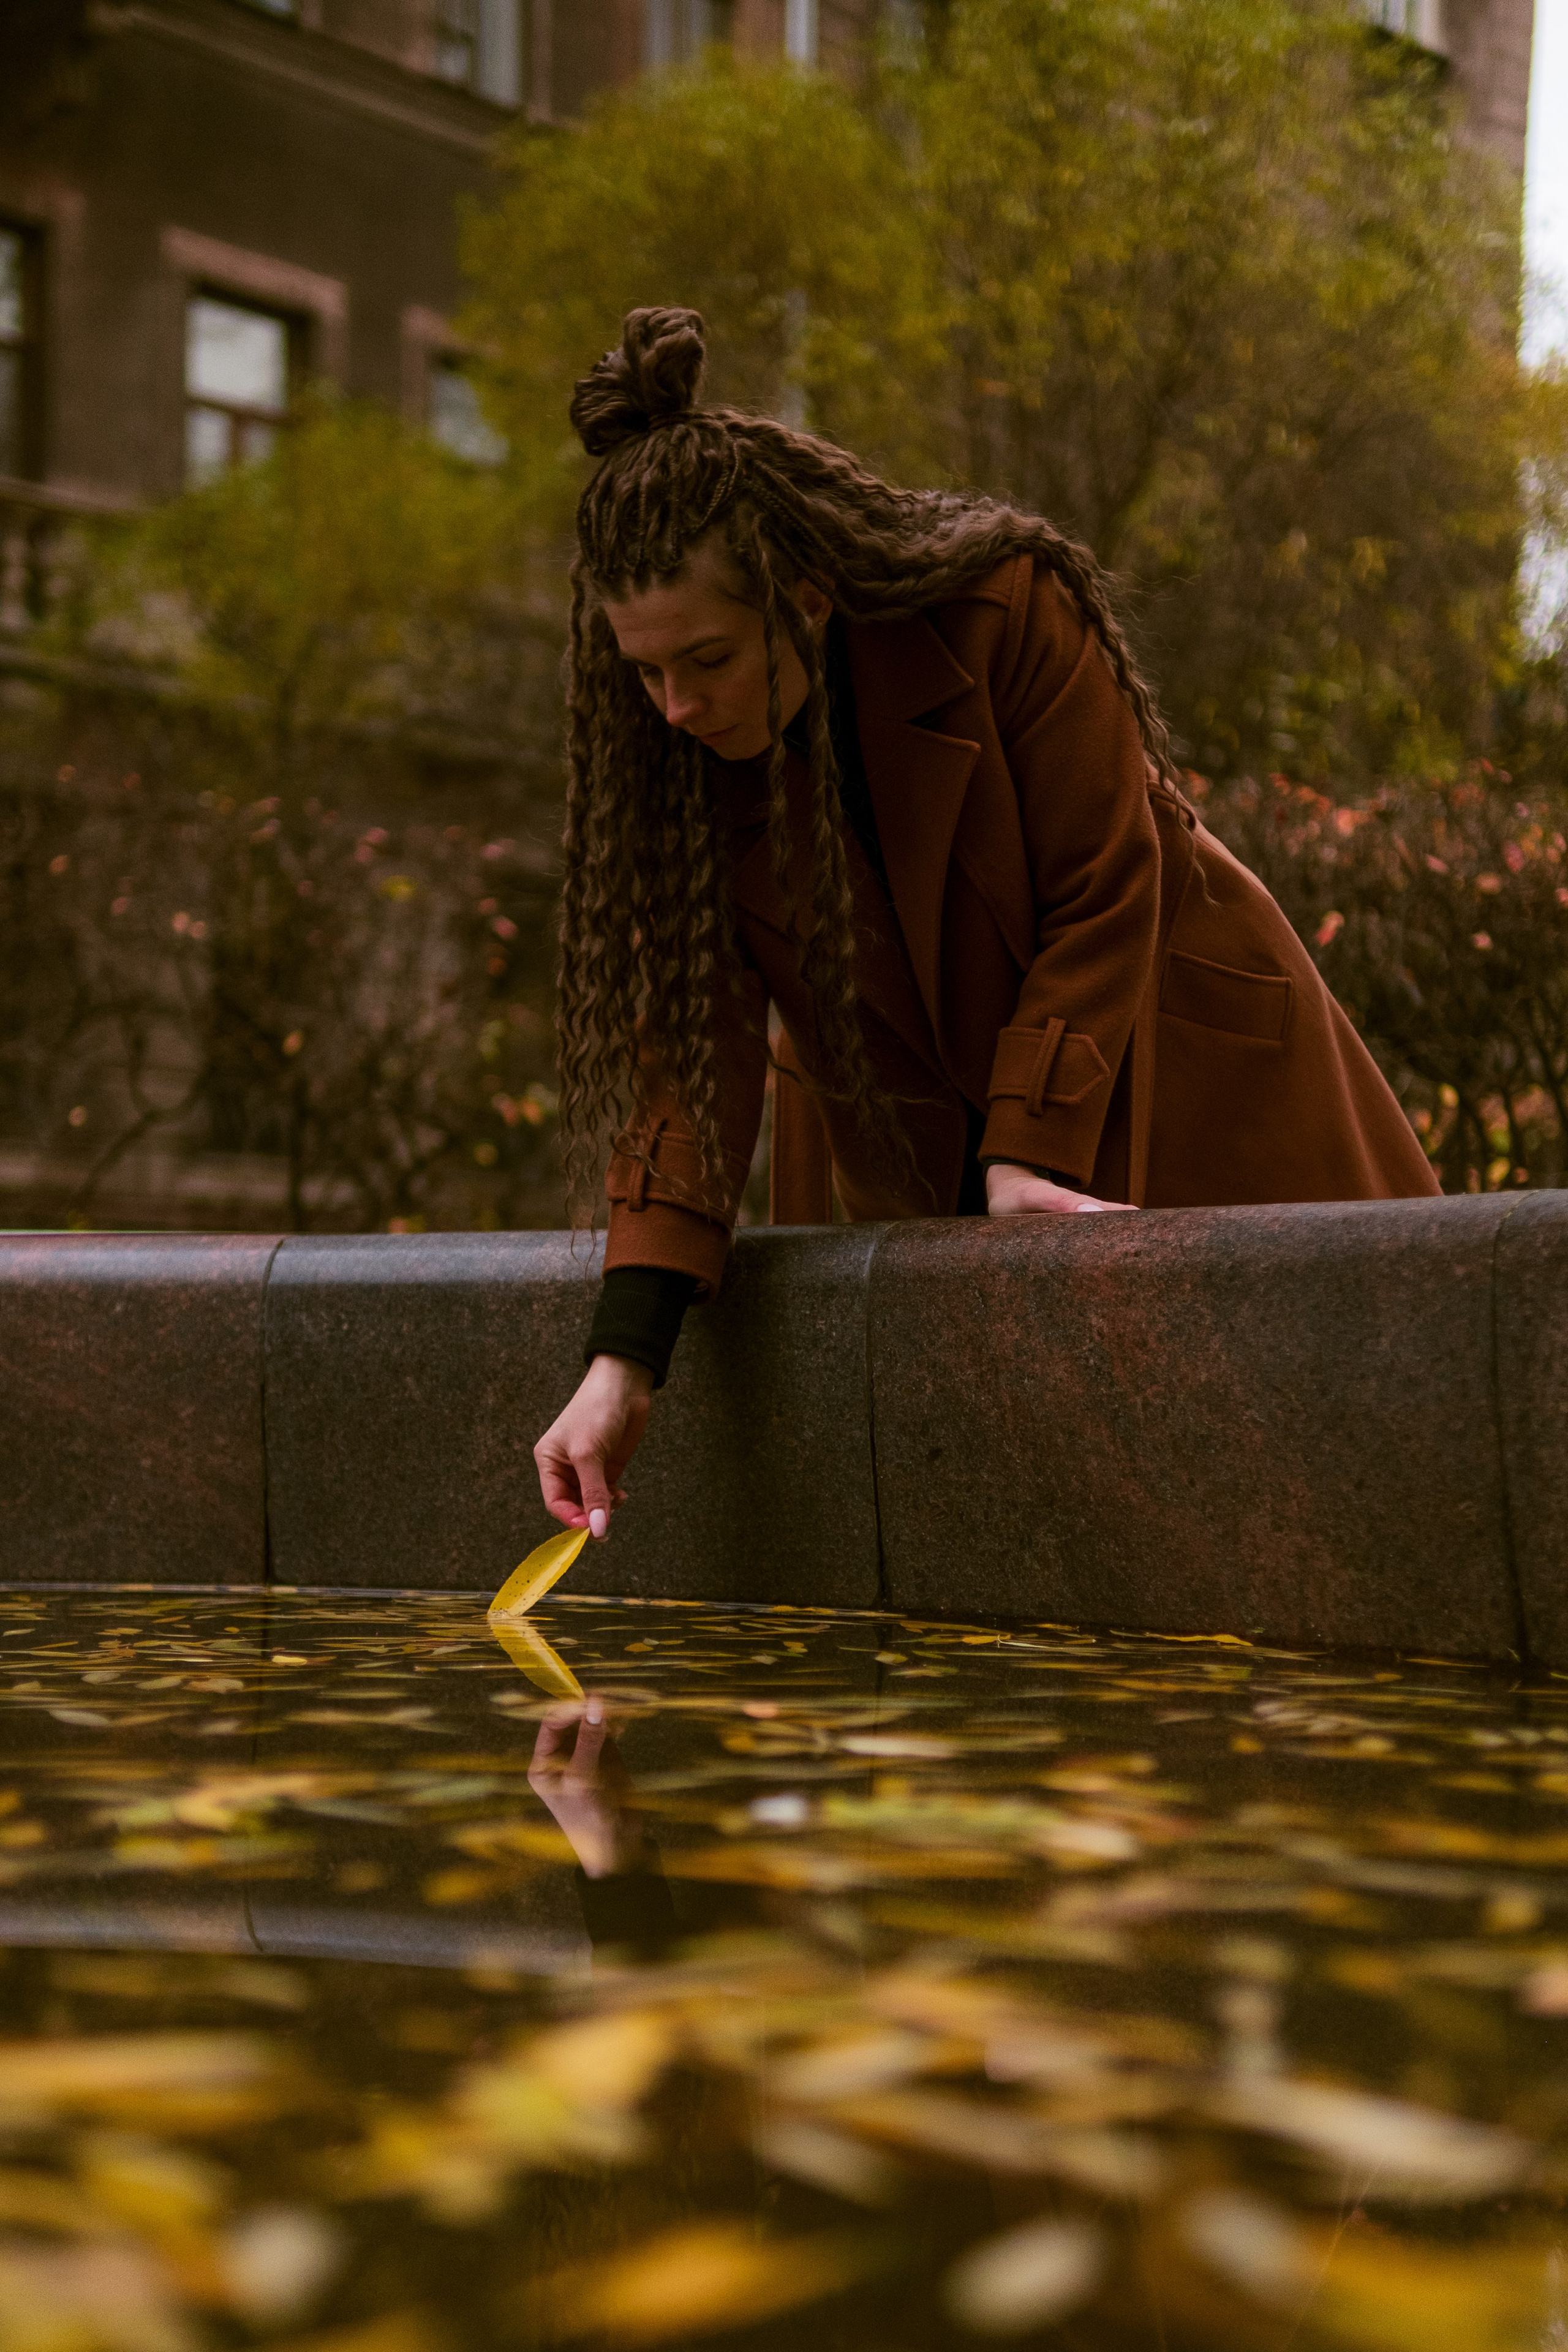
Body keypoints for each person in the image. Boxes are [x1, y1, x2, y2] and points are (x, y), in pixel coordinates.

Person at [533, 306, 1438, 1540]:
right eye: (643, 672)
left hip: (1168, 1051)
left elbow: (1100, 882)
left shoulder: (1001, 606)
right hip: (903, 1137)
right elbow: (687, 1058)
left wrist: (1028, 1149)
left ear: (803, 595)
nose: (678, 705)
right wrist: (621, 1360)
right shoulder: (678, 760)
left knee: (1346, 1476)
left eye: (707, 657)